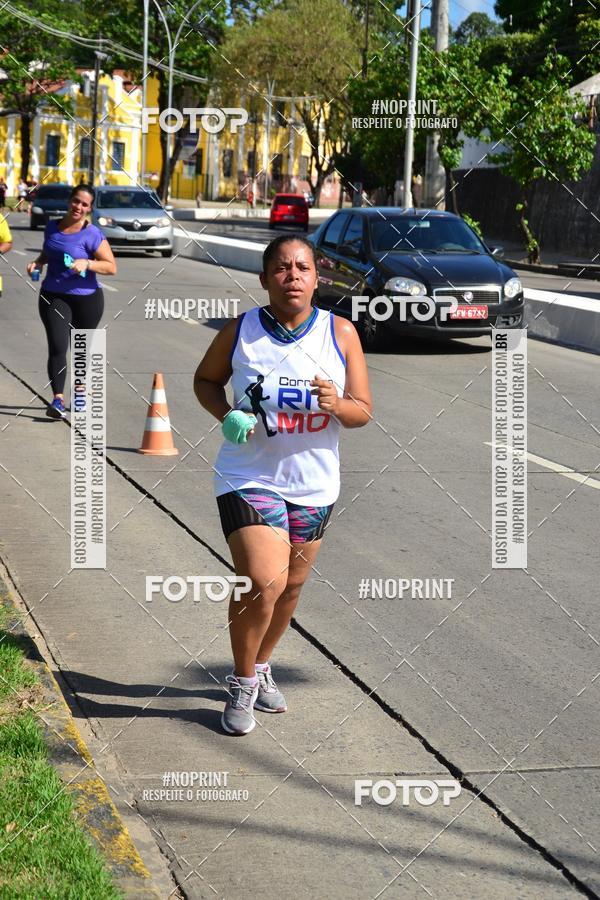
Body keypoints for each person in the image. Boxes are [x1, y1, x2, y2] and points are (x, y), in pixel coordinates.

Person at [193, 234, 372, 735]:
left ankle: (264, 662)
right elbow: (205, 381)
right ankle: (243, 680)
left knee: (290, 588)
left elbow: (362, 411)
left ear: (317, 278)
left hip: (314, 483)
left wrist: (338, 404)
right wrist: (227, 414)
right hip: (248, 475)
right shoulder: (241, 331)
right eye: (282, 268)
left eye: (302, 268)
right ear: (265, 278)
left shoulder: (341, 334)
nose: (292, 275)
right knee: (262, 580)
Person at [26, 183, 116, 418]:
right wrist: (38, 262)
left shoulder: (92, 234)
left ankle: (79, 392)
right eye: (76, 201)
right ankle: (58, 400)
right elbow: (49, 251)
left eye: (84, 204)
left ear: (89, 208)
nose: (78, 207)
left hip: (87, 300)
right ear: (69, 201)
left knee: (80, 349)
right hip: (53, 295)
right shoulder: (52, 227)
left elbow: (111, 266)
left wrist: (88, 263)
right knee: (57, 346)